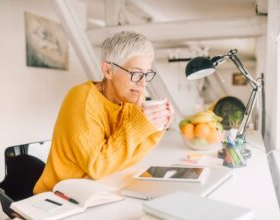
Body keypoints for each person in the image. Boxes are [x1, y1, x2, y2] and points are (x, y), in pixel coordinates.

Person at [33, 31, 174, 194]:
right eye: (136, 74)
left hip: (97, 190)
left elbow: (126, 159)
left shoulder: (129, 99)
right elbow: (97, 167)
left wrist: (155, 128)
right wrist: (138, 126)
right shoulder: (82, 98)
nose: (143, 83)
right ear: (108, 71)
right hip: (60, 197)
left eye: (146, 74)